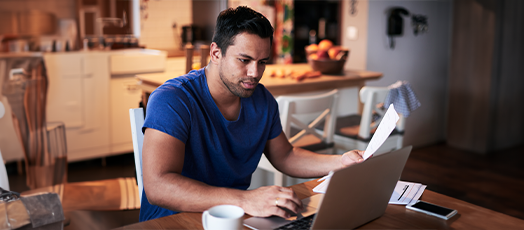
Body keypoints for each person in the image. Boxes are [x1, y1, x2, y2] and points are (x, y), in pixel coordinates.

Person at [139, 6, 364, 222]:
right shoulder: (172, 99)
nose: (254, 73)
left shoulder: (262, 99)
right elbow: (158, 186)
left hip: (234, 217)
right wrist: (245, 200)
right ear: (216, 53)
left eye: (262, 62)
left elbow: (285, 156)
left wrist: (341, 162)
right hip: (173, 222)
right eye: (244, 60)